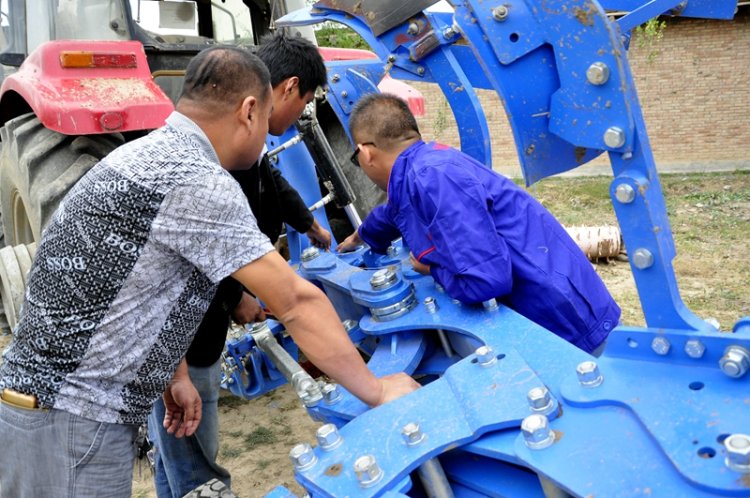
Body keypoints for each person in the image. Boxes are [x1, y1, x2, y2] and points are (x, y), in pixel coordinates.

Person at [0, 47, 419, 498]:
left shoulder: (146, 156)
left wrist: (173, 372)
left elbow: (135, 285)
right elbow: (295, 301)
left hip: (45, 410)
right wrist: (376, 391)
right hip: (72, 424)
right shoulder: (195, 178)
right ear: (250, 109)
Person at [148, 33, 333, 498]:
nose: (286, 118)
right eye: (303, 101)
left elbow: (269, 180)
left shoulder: (239, 143)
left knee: (180, 444)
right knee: (193, 447)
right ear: (283, 91)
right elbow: (202, 250)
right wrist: (237, 297)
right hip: (187, 334)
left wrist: (306, 221)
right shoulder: (213, 162)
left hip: (180, 340)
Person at [338, 93, 620, 355]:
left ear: (365, 153)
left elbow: (486, 281)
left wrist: (432, 269)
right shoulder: (423, 168)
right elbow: (393, 213)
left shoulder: (433, 177)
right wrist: (358, 237)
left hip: (566, 323)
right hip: (555, 305)